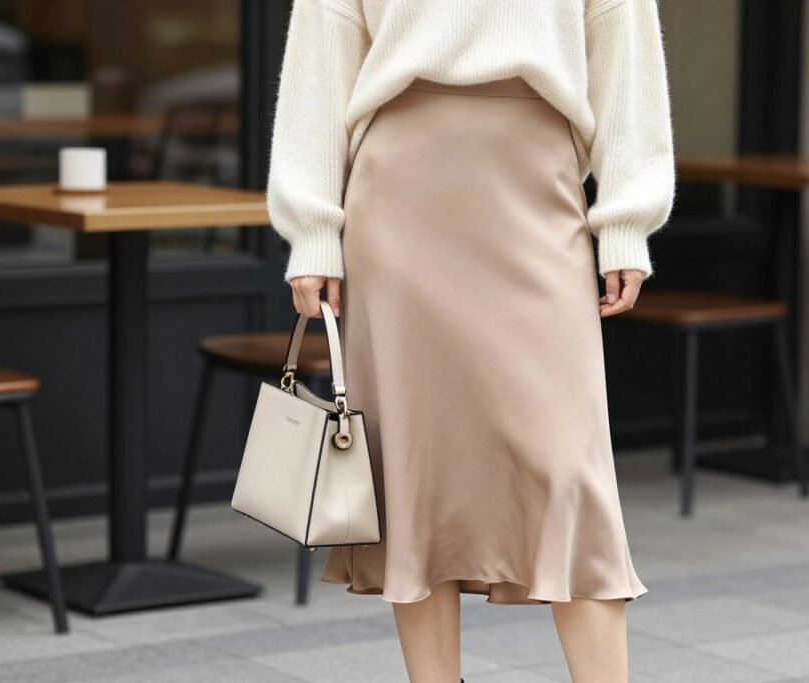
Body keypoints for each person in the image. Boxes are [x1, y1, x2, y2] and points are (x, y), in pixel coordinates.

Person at [266, 1, 675, 680]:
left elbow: (622, 48)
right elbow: (323, 52)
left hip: (536, 189)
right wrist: (312, 229)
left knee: (568, 467)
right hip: (398, 197)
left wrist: (626, 218)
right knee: (415, 467)